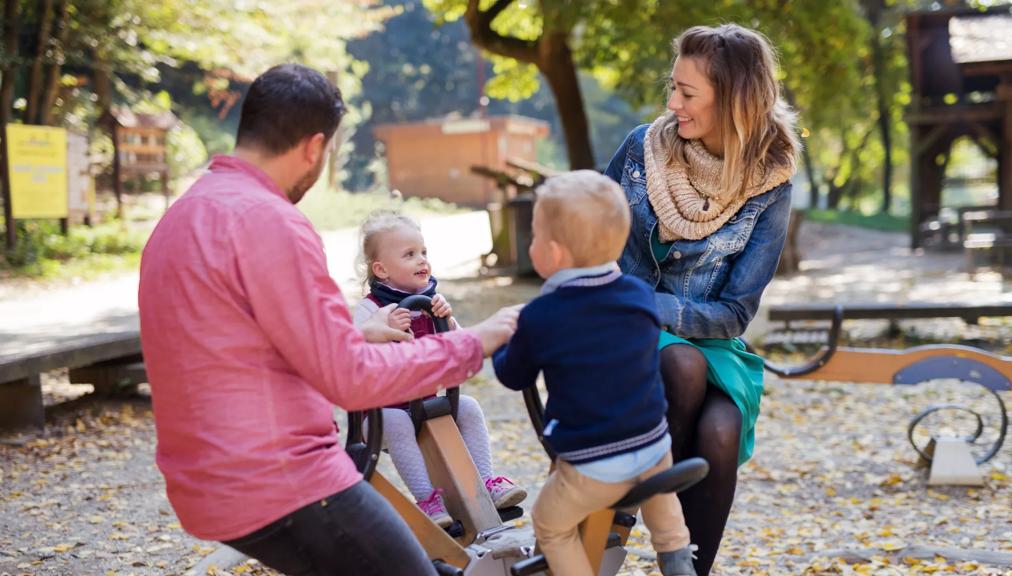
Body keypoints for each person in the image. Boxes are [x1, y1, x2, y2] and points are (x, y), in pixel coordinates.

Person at [138, 63, 519, 576]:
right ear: (315, 148)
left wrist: (356, 330)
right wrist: (474, 342)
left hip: (207, 484)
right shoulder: (270, 221)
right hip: (285, 483)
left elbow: (231, 333)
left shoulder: (183, 216)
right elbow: (352, 379)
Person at [604, 24, 800, 576]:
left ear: (736, 100)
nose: (673, 104)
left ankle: (685, 568)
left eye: (688, 94)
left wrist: (655, 308)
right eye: (674, 87)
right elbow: (584, 240)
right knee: (682, 365)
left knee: (720, 431)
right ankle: (621, 511)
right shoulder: (643, 150)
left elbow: (736, 312)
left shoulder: (771, 183)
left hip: (713, 341)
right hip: (625, 331)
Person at [493, 171, 697, 576]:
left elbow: (513, 376)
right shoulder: (640, 296)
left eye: (533, 237)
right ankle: (677, 558)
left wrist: (504, 341)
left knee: (550, 525)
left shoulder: (541, 316)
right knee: (661, 496)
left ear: (552, 253)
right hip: (655, 445)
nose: (531, 244)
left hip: (593, 465)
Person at [351, 210, 527, 527]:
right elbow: (354, 357)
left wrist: (448, 319)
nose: (422, 261)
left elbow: (459, 343)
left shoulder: (433, 300)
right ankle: (428, 500)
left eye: (423, 252)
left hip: (426, 403)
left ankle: (487, 483)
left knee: (470, 408)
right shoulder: (371, 309)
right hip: (382, 414)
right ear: (381, 269)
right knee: (397, 423)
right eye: (409, 255)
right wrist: (382, 330)